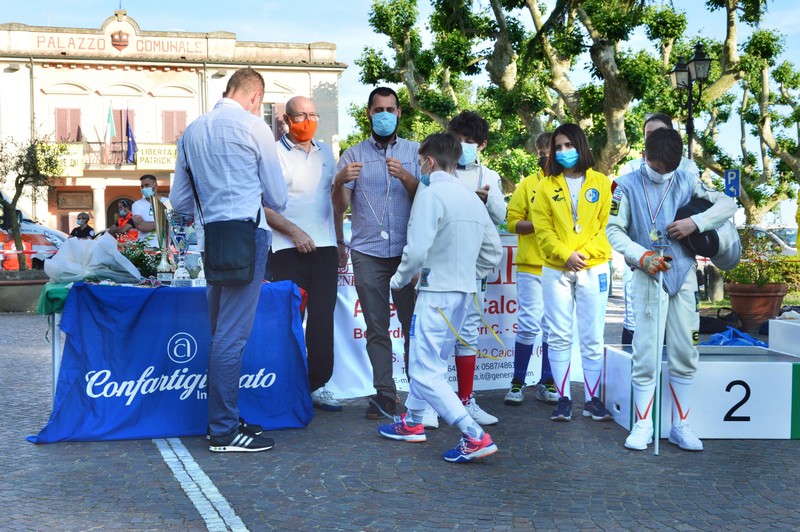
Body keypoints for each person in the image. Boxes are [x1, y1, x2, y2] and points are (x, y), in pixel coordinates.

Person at [170, 67, 288, 453]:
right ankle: (223, 430)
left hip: (211, 238)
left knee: (221, 330)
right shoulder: (255, 127)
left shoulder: (191, 132)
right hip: (247, 236)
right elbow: (278, 197)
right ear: (256, 98)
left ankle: (224, 420)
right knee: (231, 336)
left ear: (228, 89)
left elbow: (180, 201)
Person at [607, 127, 737, 452]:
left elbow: (727, 204)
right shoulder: (624, 185)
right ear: (644, 156)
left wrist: (697, 222)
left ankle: (681, 425)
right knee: (646, 352)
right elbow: (613, 230)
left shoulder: (688, 181)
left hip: (684, 276)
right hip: (648, 274)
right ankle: (642, 424)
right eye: (656, 168)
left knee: (685, 351)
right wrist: (642, 255)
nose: (662, 174)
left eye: (669, 170)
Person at [377, 133, 503, 462]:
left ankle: (474, 435)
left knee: (424, 370)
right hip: (462, 293)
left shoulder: (430, 194)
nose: (420, 167)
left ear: (430, 161)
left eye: (421, 161)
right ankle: (413, 421)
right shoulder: (471, 198)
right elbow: (494, 251)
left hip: (436, 294)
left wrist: (398, 280)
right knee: (430, 363)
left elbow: (417, 248)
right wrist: (466, 273)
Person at [331, 87, 420, 420]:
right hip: (368, 252)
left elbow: (428, 198)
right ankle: (385, 393)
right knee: (377, 327)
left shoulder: (416, 152)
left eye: (390, 109)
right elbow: (339, 206)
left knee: (414, 326)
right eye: (378, 109)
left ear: (399, 113)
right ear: (369, 113)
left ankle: (420, 393)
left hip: (409, 252)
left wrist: (407, 177)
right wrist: (339, 182)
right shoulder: (352, 155)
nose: (384, 115)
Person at [531, 123, 613, 423]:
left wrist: (584, 255)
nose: (563, 151)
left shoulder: (603, 183)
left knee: (592, 336)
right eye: (558, 147)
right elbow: (542, 230)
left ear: (581, 146)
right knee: (559, 335)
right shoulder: (545, 186)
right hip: (557, 268)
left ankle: (592, 399)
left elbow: (608, 227)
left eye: (569, 145)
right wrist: (565, 255)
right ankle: (563, 398)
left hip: (594, 266)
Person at [265, 95, 342, 412]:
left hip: (325, 248)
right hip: (286, 249)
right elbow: (261, 204)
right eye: (300, 116)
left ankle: (318, 384)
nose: (308, 121)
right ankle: (286, 385)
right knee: (288, 320)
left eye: (313, 115)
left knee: (323, 319)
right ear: (286, 119)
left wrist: (339, 241)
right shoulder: (272, 153)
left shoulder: (325, 151)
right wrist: (294, 233)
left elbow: (333, 200)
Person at [431, 110, 506, 427]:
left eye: (470, 141)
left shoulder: (489, 176)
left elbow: (502, 216)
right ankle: (431, 402)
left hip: (474, 267)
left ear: (482, 144)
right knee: (437, 333)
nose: (463, 145)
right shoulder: (435, 171)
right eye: (458, 139)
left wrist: (485, 200)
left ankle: (465, 400)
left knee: (467, 332)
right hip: (442, 264)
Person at [617, 114, 701, 344]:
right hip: (643, 262)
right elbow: (617, 226)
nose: (654, 138)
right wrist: (639, 255)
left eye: (659, 133)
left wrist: (696, 223)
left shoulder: (687, 171)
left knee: (683, 339)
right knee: (642, 330)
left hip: (680, 264)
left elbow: (708, 204)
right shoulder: (629, 172)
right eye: (649, 135)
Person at [504, 132, 558, 406]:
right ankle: (517, 382)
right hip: (531, 266)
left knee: (552, 327)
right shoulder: (527, 184)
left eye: (549, 151)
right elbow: (512, 222)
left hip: (560, 266)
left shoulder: (573, 184)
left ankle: (547, 382)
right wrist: (540, 226)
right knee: (527, 324)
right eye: (541, 152)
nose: (544, 156)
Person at [132, 174, 169, 249]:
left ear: (155, 186)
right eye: (142, 186)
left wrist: (151, 224)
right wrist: (164, 223)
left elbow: (173, 226)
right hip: (144, 249)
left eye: (147, 185)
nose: (144, 188)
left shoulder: (168, 203)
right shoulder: (137, 204)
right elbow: (141, 226)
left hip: (165, 248)